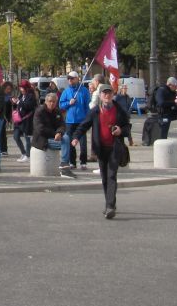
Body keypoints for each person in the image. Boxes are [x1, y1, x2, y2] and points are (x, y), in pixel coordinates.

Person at [72, 83, 131, 219]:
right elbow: (83, 125)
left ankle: (110, 206)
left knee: (111, 176)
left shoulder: (119, 109)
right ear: (100, 95)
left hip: (114, 148)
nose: (107, 95)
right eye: (104, 93)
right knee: (104, 178)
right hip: (100, 148)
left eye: (109, 92)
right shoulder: (95, 111)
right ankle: (110, 203)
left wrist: (121, 130)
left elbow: (127, 126)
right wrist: (75, 137)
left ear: (113, 94)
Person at [32, 91, 68, 177]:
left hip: (54, 138)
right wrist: (55, 133)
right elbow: (40, 129)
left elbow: (62, 125)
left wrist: (59, 132)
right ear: (46, 101)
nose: (52, 103)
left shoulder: (57, 111)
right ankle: (65, 167)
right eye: (50, 101)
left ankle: (64, 164)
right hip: (43, 140)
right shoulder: (39, 112)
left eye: (54, 101)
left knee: (66, 138)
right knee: (65, 143)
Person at [59, 71, 89, 171]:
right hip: (70, 121)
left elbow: (87, 106)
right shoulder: (66, 91)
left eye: (72, 78)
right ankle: (72, 162)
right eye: (69, 79)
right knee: (70, 142)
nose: (70, 80)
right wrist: (69, 103)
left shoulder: (84, 91)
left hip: (81, 120)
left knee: (83, 142)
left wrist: (87, 119)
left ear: (77, 79)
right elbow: (61, 105)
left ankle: (83, 162)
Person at [13, 80, 37, 161]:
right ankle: (23, 153)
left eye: (22, 88)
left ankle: (28, 155)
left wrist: (19, 102)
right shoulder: (21, 96)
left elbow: (29, 106)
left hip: (27, 120)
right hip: (19, 120)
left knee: (27, 138)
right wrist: (14, 102)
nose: (21, 89)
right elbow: (18, 106)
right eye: (20, 88)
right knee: (16, 136)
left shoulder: (31, 96)